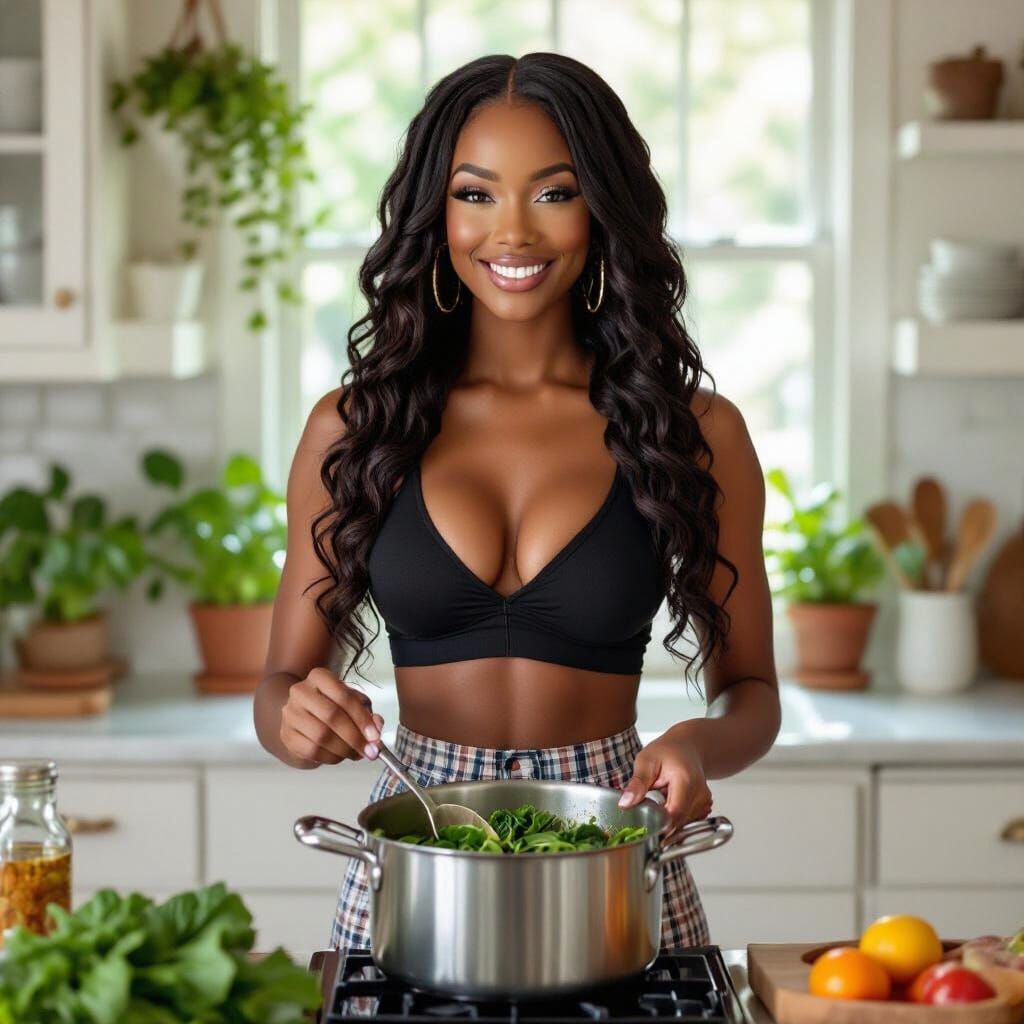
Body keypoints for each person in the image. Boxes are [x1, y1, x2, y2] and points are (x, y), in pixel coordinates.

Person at [253, 51, 780, 954]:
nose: (512, 232)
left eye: (553, 193)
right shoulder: (354, 427)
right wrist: (294, 722)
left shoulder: (697, 432)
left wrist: (695, 743)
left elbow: (754, 696)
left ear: (602, 209)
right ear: (437, 212)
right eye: (476, 194)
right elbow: (278, 686)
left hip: (613, 854)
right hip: (419, 847)